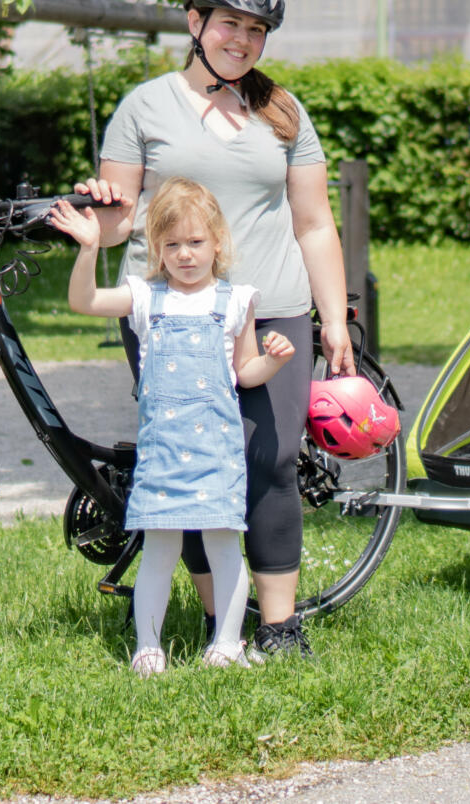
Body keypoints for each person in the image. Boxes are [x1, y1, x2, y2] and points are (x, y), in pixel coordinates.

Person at [67, 0, 353, 659]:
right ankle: (216, 619)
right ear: (196, 22)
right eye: (230, 23)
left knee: (273, 458)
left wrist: (335, 316)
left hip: (274, 304)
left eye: (256, 29)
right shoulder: (146, 107)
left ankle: (279, 626)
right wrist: (92, 218)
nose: (242, 40)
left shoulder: (282, 112)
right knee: (189, 462)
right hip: (173, 311)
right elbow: (120, 221)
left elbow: (314, 222)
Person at [51, 177, 295, 675]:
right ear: (158, 249)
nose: (185, 254)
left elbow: (244, 371)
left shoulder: (234, 301)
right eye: (173, 244)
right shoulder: (144, 297)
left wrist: (272, 363)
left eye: (196, 242)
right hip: (163, 455)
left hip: (217, 455)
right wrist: (89, 248)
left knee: (225, 546)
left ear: (217, 244)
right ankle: (148, 646)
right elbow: (85, 301)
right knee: (160, 550)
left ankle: (227, 643)